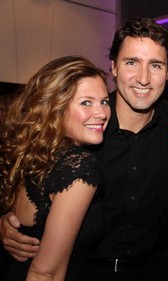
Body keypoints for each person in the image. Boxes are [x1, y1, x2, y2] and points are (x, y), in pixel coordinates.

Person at [0, 18, 168, 281]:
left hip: (155, 271)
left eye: (155, 65)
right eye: (131, 62)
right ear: (113, 66)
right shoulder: (85, 125)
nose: (143, 78)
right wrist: (9, 221)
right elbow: (32, 171)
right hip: (88, 273)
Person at [0, 56, 110, 280]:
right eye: (86, 102)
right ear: (56, 108)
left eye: (105, 101)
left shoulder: (35, 153)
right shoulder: (79, 166)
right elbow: (45, 273)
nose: (101, 113)